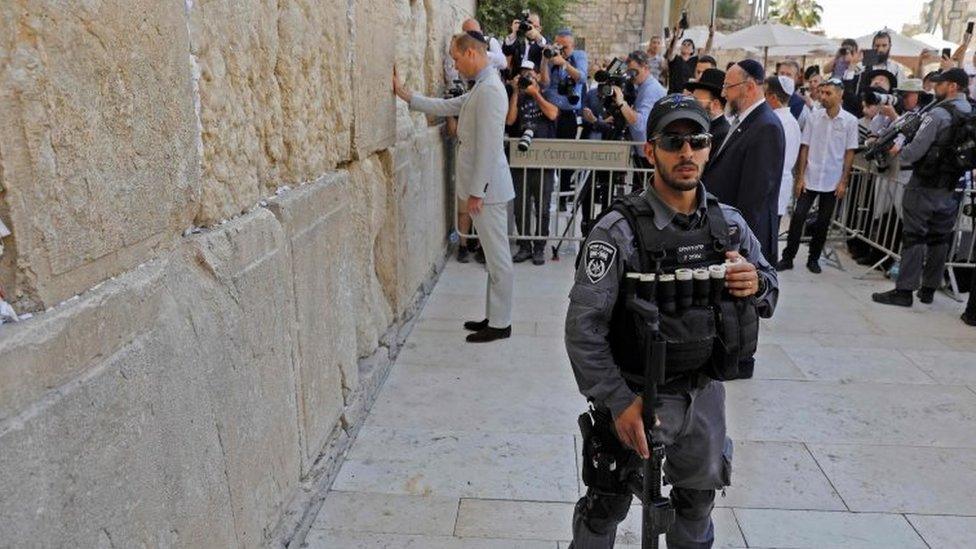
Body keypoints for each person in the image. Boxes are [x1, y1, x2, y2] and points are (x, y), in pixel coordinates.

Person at [566, 94, 778, 549]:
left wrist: (754, 283)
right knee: (606, 506)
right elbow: (583, 329)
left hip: (703, 395)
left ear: (708, 147)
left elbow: (770, 289)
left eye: (697, 140)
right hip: (635, 392)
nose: (686, 152)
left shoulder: (730, 227)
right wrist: (619, 402)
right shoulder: (617, 232)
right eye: (673, 141)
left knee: (698, 501)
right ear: (651, 150)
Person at [393, 32, 515, 342]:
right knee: (493, 255)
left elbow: (488, 146)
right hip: (487, 188)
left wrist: (477, 191)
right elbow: (449, 106)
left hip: (489, 190)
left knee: (498, 257)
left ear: (472, 53)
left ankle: (501, 324)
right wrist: (407, 96)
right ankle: (496, 317)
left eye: (457, 58)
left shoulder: (489, 90)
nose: (455, 64)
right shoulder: (483, 87)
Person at [873, 68, 972, 307]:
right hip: (951, 185)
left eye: (941, 83)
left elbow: (914, 150)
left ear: (952, 86)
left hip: (924, 184)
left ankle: (904, 290)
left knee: (914, 236)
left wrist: (901, 153)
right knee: (940, 238)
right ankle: (929, 288)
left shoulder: (938, 113)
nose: (935, 88)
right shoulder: (970, 110)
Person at [703, 59, 786, 266]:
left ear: (749, 88)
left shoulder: (766, 127)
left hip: (743, 243)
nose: (723, 94)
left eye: (727, 87)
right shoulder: (746, 121)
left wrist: (738, 246)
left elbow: (754, 199)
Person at [778, 78, 859, 273]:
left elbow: (850, 153)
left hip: (832, 180)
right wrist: (800, 177)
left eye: (828, 93)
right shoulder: (814, 117)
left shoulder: (850, 121)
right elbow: (804, 147)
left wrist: (843, 181)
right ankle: (788, 257)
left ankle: (813, 259)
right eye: (822, 93)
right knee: (798, 217)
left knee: (823, 223)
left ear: (840, 95)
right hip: (811, 177)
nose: (823, 97)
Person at [507, 60, 558, 265]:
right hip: (521, 159)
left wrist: (535, 93)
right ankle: (525, 245)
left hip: (543, 161)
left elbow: (553, 114)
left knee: (542, 206)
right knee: (521, 206)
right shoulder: (517, 97)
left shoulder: (546, 94)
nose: (527, 77)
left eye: (530, 73)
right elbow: (510, 121)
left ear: (537, 75)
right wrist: (516, 93)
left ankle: (539, 246)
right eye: (523, 74)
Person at [541, 29, 588, 209]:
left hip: (568, 114)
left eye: (565, 47)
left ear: (573, 46)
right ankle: (545, 197)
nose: (561, 49)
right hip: (549, 112)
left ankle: (562, 199)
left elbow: (582, 77)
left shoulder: (578, 56)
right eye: (558, 45)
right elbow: (544, 83)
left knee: (565, 156)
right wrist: (546, 61)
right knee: (548, 154)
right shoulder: (550, 55)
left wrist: (564, 63)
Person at [612, 51, 666, 167]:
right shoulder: (641, 86)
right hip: (643, 151)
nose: (631, 76)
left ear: (645, 67)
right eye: (629, 71)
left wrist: (622, 103)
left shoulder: (650, 90)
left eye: (634, 72)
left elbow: (641, 124)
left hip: (649, 154)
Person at [764, 76, 803, 226]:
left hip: (772, 186)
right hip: (779, 186)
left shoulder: (774, 122)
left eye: (765, 95)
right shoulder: (791, 121)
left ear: (773, 97)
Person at [684, 68, 729, 160]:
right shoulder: (703, 127)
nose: (692, 106)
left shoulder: (721, 136)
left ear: (715, 105)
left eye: (696, 102)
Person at [666, 25, 714, 94]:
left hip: (689, 96)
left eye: (689, 45)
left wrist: (711, 35)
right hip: (674, 95)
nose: (686, 46)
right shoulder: (675, 59)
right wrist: (676, 36)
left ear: (692, 50)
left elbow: (707, 50)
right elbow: (671, 50)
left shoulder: (695, 61)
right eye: (684, 44)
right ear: (680, 48)